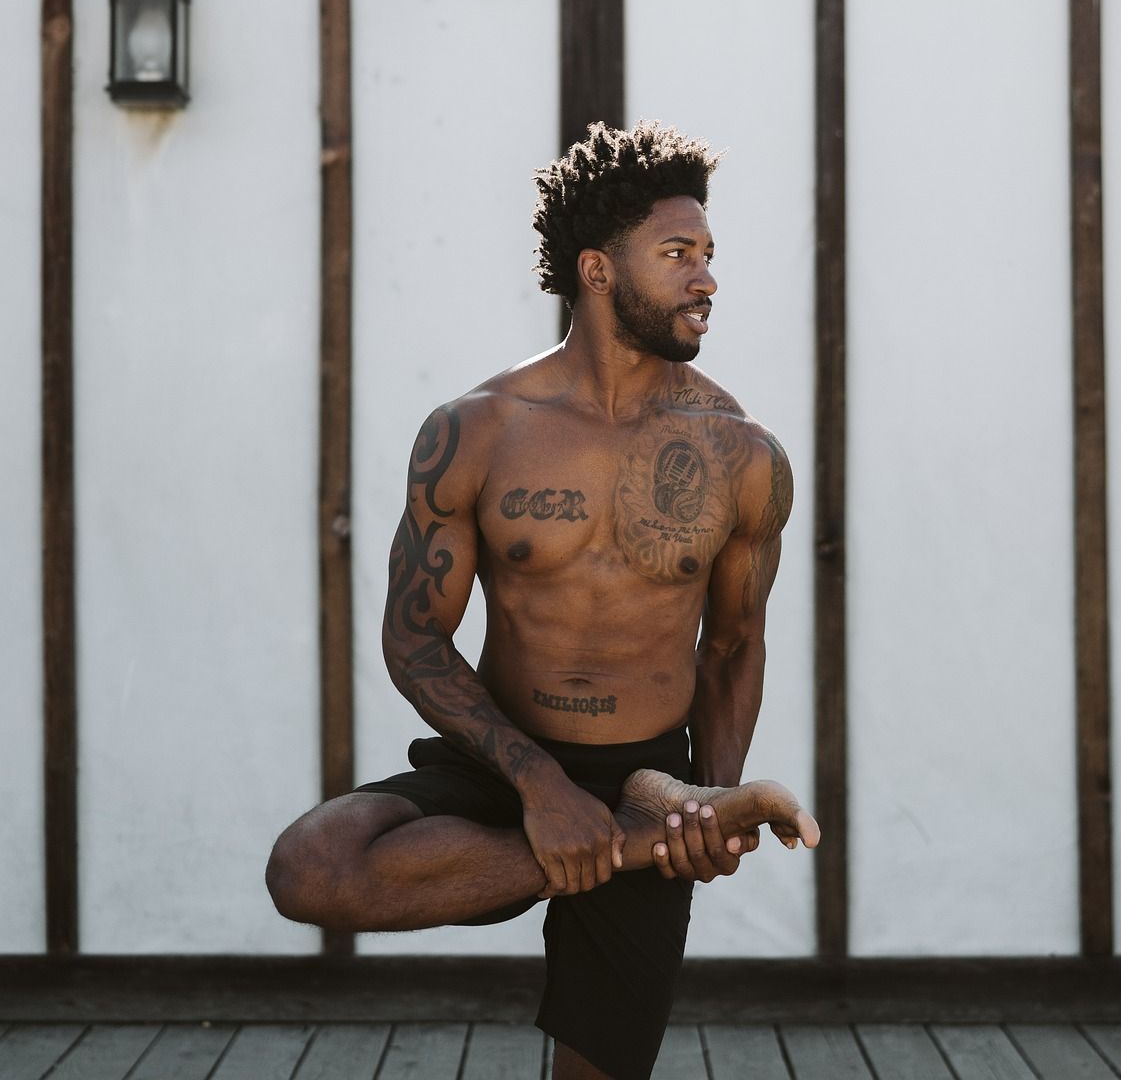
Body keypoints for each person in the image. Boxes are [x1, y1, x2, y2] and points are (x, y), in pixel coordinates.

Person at [266, 120, 819, 1080]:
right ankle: (632, 847)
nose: (707, 279)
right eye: (678, 254)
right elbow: (415, 639)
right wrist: (542, 788)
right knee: (311, 868)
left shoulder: (743, 457)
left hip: (654, 771)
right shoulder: (475, 433)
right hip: (501, 757)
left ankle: (651, 836)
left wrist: (708, 802)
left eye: (710, 254)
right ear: (598, 271)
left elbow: (732, 648)